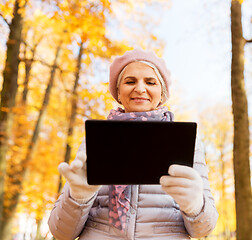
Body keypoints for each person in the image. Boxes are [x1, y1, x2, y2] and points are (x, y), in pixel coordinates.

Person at [48, 48, 218, 240]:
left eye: (150, 82)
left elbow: (204, 230)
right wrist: (77, 197)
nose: (140, 88)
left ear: (162, 94)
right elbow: (61, 232)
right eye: (130, 81)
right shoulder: (96, 139)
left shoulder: (185, 142)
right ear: (118, 93)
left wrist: (195, 207)